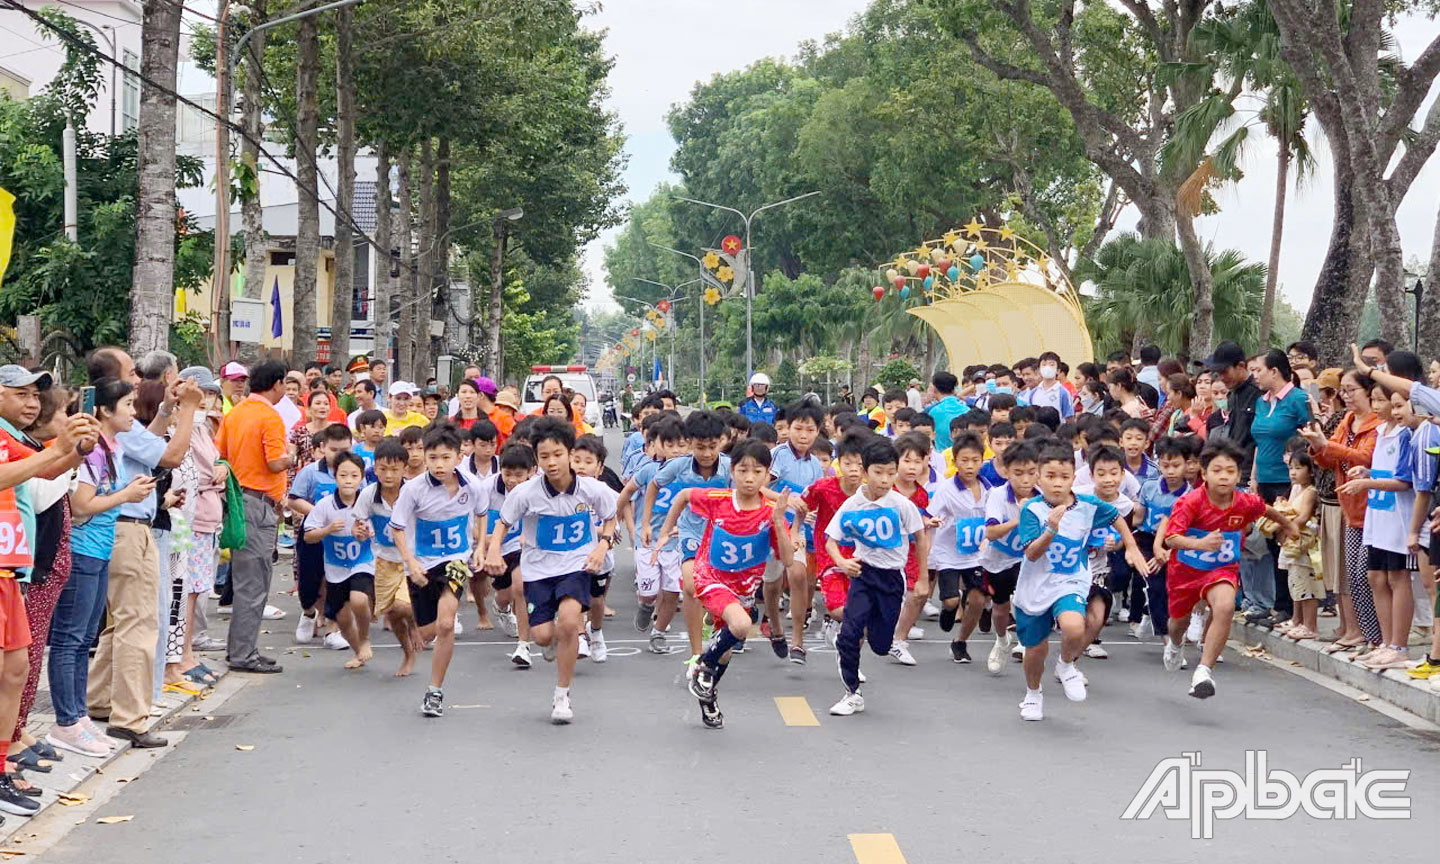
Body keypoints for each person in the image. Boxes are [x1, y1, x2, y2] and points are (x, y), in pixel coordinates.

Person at [81, 350, 201, 749]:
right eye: (131, 372)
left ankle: (99, 699)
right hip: (128, 529)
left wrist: (166, 408)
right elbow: (168, 455)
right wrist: (187, 410)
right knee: (139, 622)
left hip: (126, 527)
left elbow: (146, 445)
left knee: (120, 621)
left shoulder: (114, 421)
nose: (137, 378)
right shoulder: (114, 419)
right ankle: (130, 718)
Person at [487, 418, 618, 724]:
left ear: (570, 453)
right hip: (538, 571)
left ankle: (562, 694)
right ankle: (554, 644)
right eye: (544, 456)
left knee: (571, 621)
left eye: (557, 454)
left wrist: (602, 546)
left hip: (576, 566)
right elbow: (503, 522)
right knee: (543, 636)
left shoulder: (592, 489)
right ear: (536, 459)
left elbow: (611, 518)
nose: (552, 462)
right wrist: (494, 550)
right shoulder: (526, 493)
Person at [1012, 442, 1150, 721]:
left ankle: (1066, 666)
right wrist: (1051, 528)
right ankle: (1033, 694)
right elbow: (1032, 553)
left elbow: (1117, 518)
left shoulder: (1087, 505)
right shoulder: (1032, 510)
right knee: (1035, 650)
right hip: (1036, 585)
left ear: (1073, 478)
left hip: (1071, 579)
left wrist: (1131, 546)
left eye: (1064, 477)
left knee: (1075, 627)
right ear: (1038, 478)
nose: (1057, 483)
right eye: (1050, 476)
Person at [661, 439, 791, 729]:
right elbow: (682, 495)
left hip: (744, 588)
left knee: (728, 648)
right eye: (743, 470)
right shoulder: (719, 498)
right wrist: (666, 529)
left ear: (767, 475)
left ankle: (708, 696)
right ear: (732, 472)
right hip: (711, 578)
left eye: (757, 471)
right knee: (742, 625)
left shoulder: (771, 511)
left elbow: (789, 560)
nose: (749, 477)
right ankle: (702, 667)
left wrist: (781, 524)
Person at [1162, 439, 1295, 699]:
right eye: (1217, 470)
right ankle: (1175, 644)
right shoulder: (1190, 502)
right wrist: (1199, 543)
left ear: (1238, 475)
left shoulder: (1244, 501)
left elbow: (1266, 509)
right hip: (1185, 572)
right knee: (1178, 622)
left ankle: (1203, 671)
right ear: (1204, 474)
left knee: (1225, 606)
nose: (1224, 477)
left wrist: (1288, 526)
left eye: (1230, 471)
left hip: (1221, 569)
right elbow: (1171, 538)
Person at [824, 437, 928, 717]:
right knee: (849, 634)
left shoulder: (901, 505)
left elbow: (920, 536)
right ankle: (852, 693)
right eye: (878, 472)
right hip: (863, 575)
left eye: (890, 473)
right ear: (866, 471)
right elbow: (831, 540)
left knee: (881, 646)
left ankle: (868, 624)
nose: (884, 479)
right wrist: (842, 562)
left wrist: (923, 578)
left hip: (892, 579)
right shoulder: (852, 505)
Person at [389, 425, 487, 717]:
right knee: (427, 631)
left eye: (446, 457)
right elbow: (397, 528)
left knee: (446, 623)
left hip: (456, 561)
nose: (439, 464)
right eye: (433, 457)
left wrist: (480, 548)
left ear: (459, 456)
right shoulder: (414, 490)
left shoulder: (473, 486)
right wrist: (411, 562)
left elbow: (481, 516)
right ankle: (408, 630)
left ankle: (434, 692)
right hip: (422, 564)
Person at [216, 359, 292, 676]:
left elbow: (221, 454)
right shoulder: (269, 417)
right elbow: (275, 463)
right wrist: (293, 456)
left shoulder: (236, 415)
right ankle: (244, 653)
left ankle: (242, 649)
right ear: (276, 384)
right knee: (254, 582)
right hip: (257, 503)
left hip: (237, 499)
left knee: (247, 578)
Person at [648, 411, 730, 663]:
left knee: (721, 593)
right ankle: (696, 654)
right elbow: (653, 486)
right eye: (700, 447)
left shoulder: (730, 467)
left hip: (723, 535)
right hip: (691, 532)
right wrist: (651, 526)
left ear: (722, 442)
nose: (706, 453)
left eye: (712, 447)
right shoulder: (679, 465)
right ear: (690, 443)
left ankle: (716, 628)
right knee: (691, 586)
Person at [351, 439, 421, 677]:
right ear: (375, 468)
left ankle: (416, 622)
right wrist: (359, 532)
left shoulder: (415, 491)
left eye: (394, 469)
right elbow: (357, 525)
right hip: (384, 561)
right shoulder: (369, 495)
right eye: (382, 469)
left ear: (404, 467)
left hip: (413, 559)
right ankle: (408, 651)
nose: (388, 474)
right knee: (391, 613)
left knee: (404, 606)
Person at [303, 452, 376, 670]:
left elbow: (378, 530)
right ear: (335, 477)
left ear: (361, 478)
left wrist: (367, 533)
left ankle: (364, 639)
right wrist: (327, 530)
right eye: (343, 475)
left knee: (359, 599)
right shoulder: (325, 505)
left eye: (354, 475)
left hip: (362, 562)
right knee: (343, 619)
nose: (348, 480)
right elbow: (308, 535)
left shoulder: (368, 501)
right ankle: (358, 652)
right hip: (335, 568)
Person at [928, 433, 989, 664]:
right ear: (955, 462)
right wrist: (931, 521)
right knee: (952, 600)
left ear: (982, 461)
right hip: (948, 554)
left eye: (975, 460)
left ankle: (961, 642)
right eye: (964, 460)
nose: (970, 465)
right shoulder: (946, 489)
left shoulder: (989, 488)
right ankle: (948, 609)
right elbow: (929, 514)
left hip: (976, 554)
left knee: (978, 600)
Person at [926, 371, 969, 451]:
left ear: (935, 389)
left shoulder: (932, 412)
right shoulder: (967, 409)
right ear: (953, 390)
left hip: (942, 458)